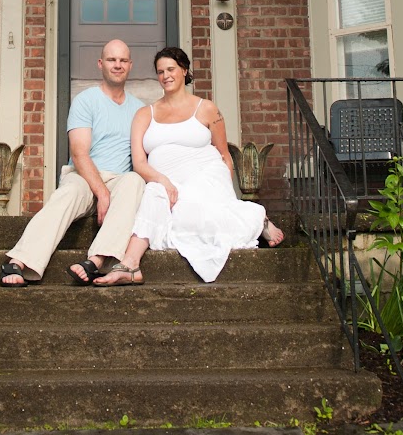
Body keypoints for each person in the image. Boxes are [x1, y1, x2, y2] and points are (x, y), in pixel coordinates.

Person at [95, 46, 283, 286]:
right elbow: (139, 163)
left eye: (171, 69)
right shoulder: (144, 114)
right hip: (167, 182)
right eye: (160, 72)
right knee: (153, 192)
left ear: (184, 70)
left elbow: (224, 155)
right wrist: (163, 180)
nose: (166, 76)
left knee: (194, 214)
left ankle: (256, 217)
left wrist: (226, 195)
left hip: (206, 176)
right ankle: (130, 264)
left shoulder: (207, 108)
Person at [0, 38, 146, 286]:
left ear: (130, 65)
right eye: (111, 59)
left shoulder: (139, 110)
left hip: (120, 180)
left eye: (123, 60)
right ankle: (19, 261)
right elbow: (79, 154)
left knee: (134, 180)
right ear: (100, 63)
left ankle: (95, 261)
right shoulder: (85, 100)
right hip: (84, 175)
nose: (117, 65)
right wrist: (102, 193)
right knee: (68, 193)